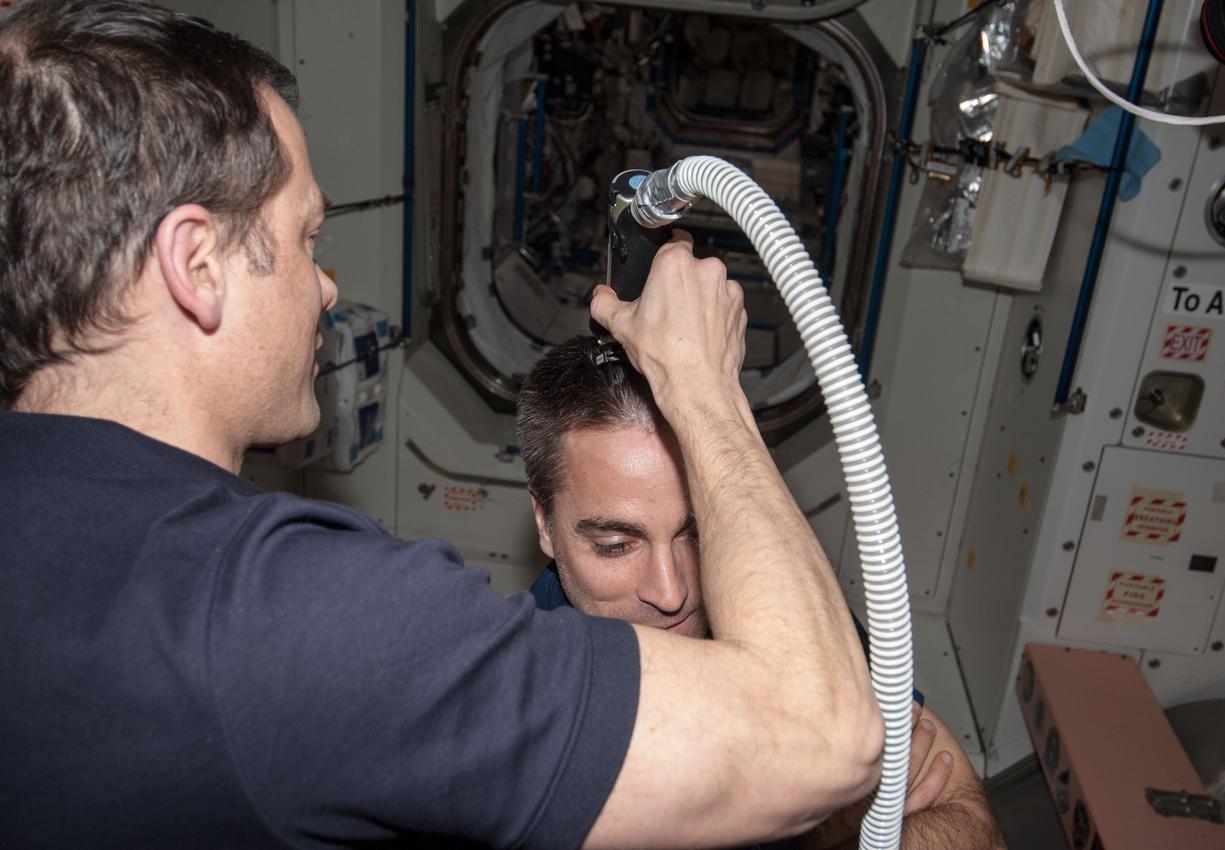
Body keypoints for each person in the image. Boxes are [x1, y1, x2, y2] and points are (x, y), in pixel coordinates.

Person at [0, 2, 885, 848]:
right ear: (197, 266)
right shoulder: (293, 617)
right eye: (307, 238)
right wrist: (703, 389)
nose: (326, 286)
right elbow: (823, 738)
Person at [517, 336, 1008, 850]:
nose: (671, 591)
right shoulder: (514, 693)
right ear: (545, 524)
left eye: (700, 532)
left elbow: (971, 823)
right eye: (617, 546)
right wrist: (832, 826)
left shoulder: (781, 600)